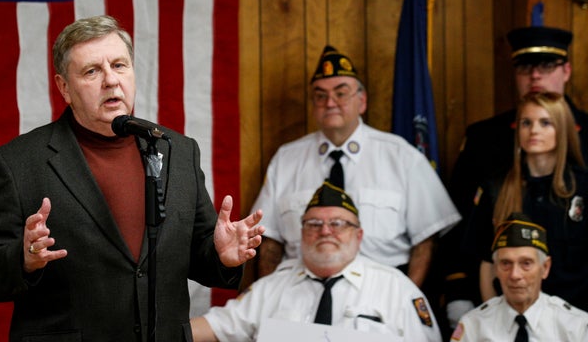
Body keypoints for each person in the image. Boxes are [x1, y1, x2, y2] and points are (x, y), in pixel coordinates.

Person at [0, 15, 265, 341]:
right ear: (64, 87)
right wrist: (23, 259)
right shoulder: (19, 162)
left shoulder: (177, 149)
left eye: (119, 65)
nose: (110, 80)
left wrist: (220, 254)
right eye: (92, 71)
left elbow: (195, 254)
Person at [251, 45, 460, 288]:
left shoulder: (400, 155)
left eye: (341, 93)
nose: (330, 102)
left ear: (361, 101)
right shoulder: (287, 159)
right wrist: (269, 301)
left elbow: (427, 241)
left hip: (381, 293)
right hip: (300, 292)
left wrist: (406, 300)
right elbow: (269, 242)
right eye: (320, 95)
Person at [443, 26, 588, 326]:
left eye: (547, 66)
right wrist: (462, 293)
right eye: (525, 66)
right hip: (506, 312)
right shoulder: (485, 140)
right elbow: (466, 233)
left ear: (566, 70)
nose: (535, 76)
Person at [191, 181, 443, 341]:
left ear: (359, 235)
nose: (325, 231)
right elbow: (212, 328)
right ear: (301, 233)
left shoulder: (395, 288)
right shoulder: (271, 288)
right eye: (314, 224)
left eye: (338, 224)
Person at [461, 91, 588, 312]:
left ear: (563, 130)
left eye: (545, 123)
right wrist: (495, 318)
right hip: (513, 318)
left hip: (576, 320)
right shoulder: (497, 187)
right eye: (526, 123)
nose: (534, 130)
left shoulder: (583, 187)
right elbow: (487, 264)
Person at [450, 213, 588, 341]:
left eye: (526, 264)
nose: (515, 275)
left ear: (545, 268)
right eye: (506, 263)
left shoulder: (576, 327)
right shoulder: (473, 326)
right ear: (496, 269)